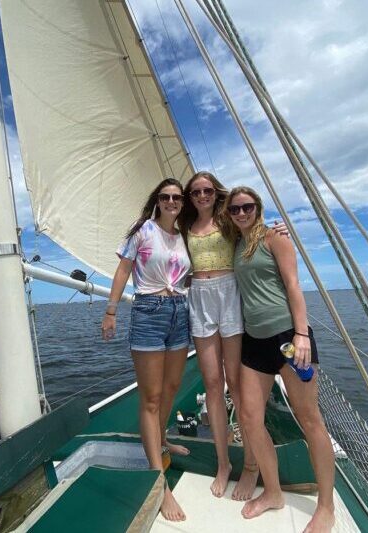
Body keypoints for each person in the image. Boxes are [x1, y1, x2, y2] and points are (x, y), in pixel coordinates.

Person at [225, 186, 335, 532]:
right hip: (254, 341)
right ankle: (272, 493)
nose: (241, 213)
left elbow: (293, 286)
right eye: (235, 209)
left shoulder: (276, 239)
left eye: (247, 207)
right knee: (249, 417)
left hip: (288, 338)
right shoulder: (238, 244)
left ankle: (326, 506)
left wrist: (302, 334)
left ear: (258, 208)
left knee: (309, 419)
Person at [102, 178, 192, 522]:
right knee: (151, 397)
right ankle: (159, 480)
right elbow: (124, 269)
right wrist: (111, 311)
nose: (172, 201)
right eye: (166, 196)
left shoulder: (183, 235)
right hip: (149, 313)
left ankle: (163, 438)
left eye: (177, 197)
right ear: (157, 200)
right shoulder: (143, 231)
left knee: (171, 388)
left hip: (179, 313)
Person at [177, 171, 260, 501]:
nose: (202, 195)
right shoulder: (185, 226)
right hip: (199, 295)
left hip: (228, 294)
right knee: (212, 383)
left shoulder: (229, 220)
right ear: (190, 195)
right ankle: (224, 463)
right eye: (195, 191)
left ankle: (251, 463)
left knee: (235, 382)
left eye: (207, 190)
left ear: (216, 192)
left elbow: (253, 230)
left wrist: (279, 228)